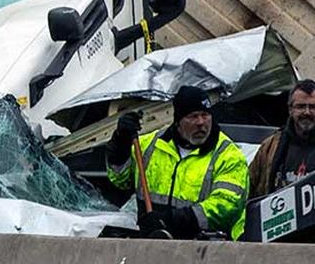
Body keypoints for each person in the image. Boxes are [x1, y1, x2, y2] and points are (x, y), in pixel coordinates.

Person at [106, 85, 248, 239]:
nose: (201, 122)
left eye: (205, 115)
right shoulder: (150, 146)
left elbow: (226, 206)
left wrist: (170, 221)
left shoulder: (229, 156)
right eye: (193, 116)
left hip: (206, 251)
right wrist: (120, 143)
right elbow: (119, 180)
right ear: (178, 121)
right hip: (154, 244)